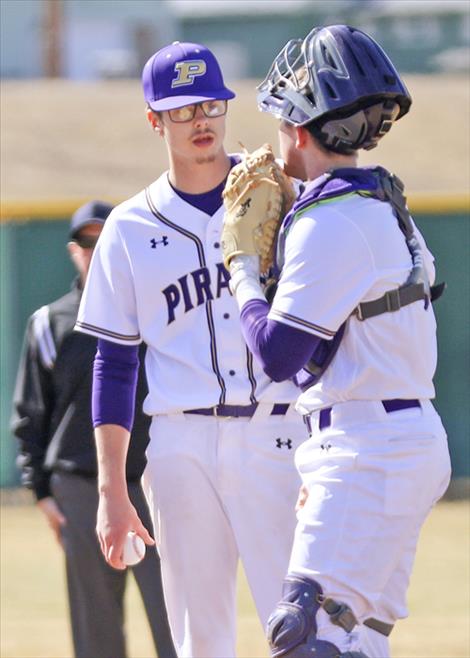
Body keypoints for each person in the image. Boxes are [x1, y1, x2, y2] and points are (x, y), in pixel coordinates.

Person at [223, 25, 452, 658]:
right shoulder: (374, 202)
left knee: (305, 636)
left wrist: (242, 269)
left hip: (368, 446)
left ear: (299, 127)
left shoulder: (331, 222)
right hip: (389, 438)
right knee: (357, 639)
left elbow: (277, 356)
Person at [74, 42, 306, 658]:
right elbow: (116, 362)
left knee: (304, 628)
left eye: (210, 104)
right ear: (154, 120)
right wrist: (111, 492)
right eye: (181, 110)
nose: (200, 120)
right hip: (181, 444)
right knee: (200, 640)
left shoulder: (278, 197)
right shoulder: (128, 226)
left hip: (278, 434)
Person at [11, 201, 176, 658]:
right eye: (87, 241)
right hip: (81, 486)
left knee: (177, 617)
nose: (95, 249)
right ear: (72, 250)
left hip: (152, 479)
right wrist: (42, 491)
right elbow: (31, 414)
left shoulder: (154, 313)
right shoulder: (49, 322)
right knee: (96, 627)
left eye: (104, 239)